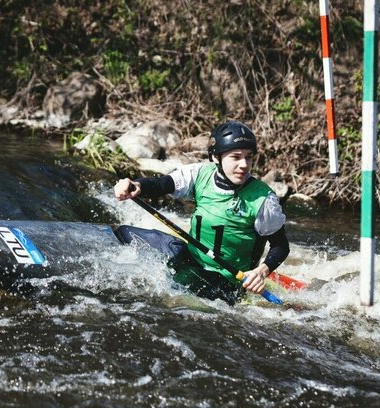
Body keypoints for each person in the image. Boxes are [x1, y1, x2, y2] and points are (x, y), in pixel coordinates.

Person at [113, 120, 289, 305]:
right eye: (236, 157)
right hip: (190, 257)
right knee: (124, 233)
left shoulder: (264, 200)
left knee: (173, 282)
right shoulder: (199, 174)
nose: (244, 164)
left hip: (225, 281)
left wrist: (261, 272)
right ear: (216, 157)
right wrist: (136, 185)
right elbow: (161, 184)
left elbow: (280, 246)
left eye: (249, 157)